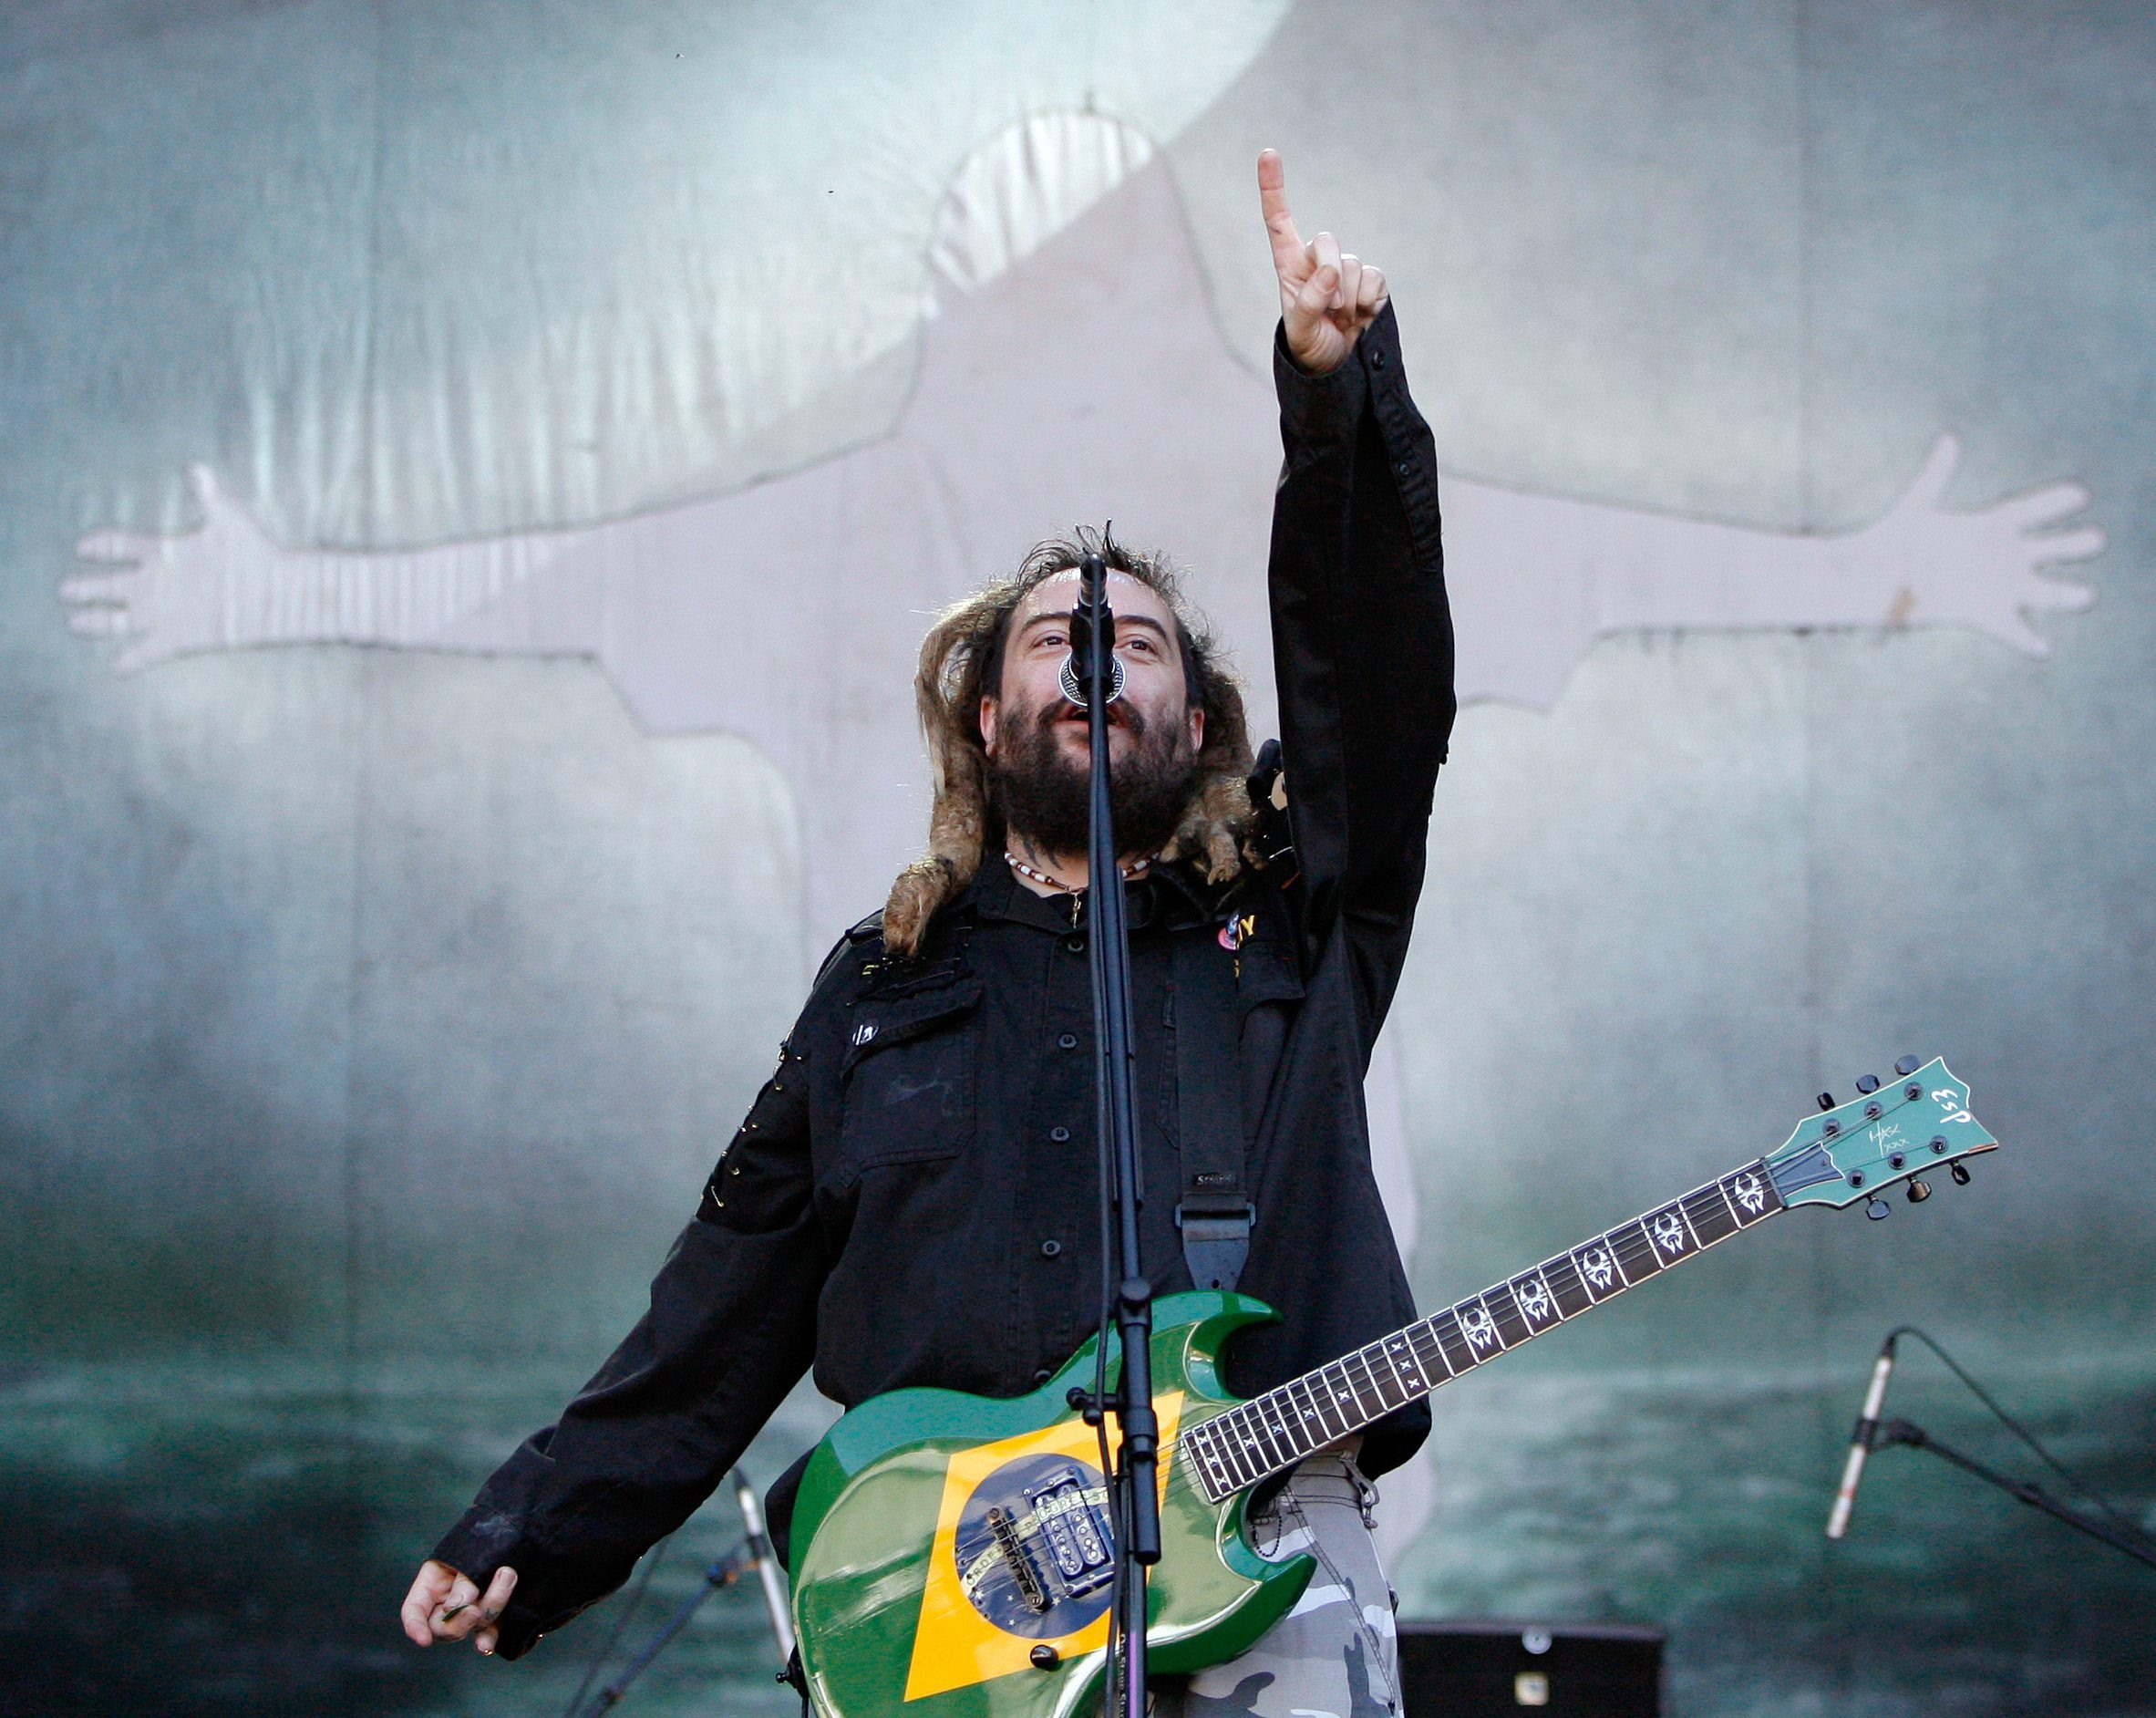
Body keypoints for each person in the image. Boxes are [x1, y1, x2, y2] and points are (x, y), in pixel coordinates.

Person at [401, 148, 1453, 1717]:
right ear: (983, 714)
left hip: (1258, 1551)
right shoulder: (882, 987)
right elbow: (727, 1300)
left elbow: (1377, 680)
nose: (1097, 660)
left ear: (1198, 722)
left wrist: (1335, 394)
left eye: (1140, 644)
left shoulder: (1292, 921)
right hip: (959, 1591)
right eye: (1055, 641)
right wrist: (535, 1530)